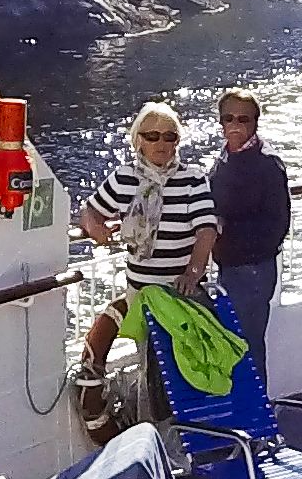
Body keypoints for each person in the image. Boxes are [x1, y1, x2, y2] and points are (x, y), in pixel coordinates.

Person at [76, 102, 216, 416]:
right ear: (138, 140)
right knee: (154, 368)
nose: (161, 143)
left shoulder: (193, 180)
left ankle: (189, 427)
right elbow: (90, 209)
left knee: (187, 367)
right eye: (152, 136)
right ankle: (160, 428)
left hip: (181, 294)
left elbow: (206, 229)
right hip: (143, 295)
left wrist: (193, 272)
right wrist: (95, 227)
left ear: (178, 141)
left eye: (169, 136)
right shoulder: (124, 179)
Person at [207, 90, 291, 375]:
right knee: (233, 345)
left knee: (247, 347)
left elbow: (277, 226)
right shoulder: (225, 158)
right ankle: (242, 401)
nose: (235, 125)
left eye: (243, 119)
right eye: (228, 118)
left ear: (255, 122)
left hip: (252, 271)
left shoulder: (267, 165)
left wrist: (226, 232)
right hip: (229, 268)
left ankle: (256, 403)